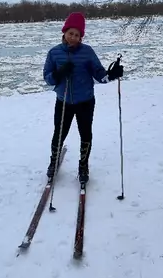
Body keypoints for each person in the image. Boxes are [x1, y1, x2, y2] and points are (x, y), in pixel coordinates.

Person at [43, 12, 124, 184]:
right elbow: (48, 78)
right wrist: (59, 73)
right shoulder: (54, 53)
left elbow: (99, 75)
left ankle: (83, 165)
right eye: (70, 33)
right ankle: (53, 161)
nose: (73, 37)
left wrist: (112, 74)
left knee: (85, 134)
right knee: (59, 133)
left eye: (77, 35)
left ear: (81, 37)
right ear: (64, 32)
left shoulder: (87, 52)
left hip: (85, 101)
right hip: (63, 101)